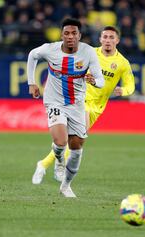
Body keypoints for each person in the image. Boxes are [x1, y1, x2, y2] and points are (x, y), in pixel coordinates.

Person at [32, 26, 135, 184]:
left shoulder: (122, 63)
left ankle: (44, 164)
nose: (108, 40)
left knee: (72, 139)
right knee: (74, 138)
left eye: (111, 37)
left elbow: (131, 85)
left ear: (117, 40)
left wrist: (123, 90)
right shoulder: (89, 53)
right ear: (100, 39)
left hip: (98, 107)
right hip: (79, 100)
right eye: (105, 37)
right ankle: (55, 169)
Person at [27, 18, 105, 197]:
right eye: (67, 33)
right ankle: (59, 160)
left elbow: (100, 79)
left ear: (80, 35)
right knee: (61, 141)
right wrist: (32, 83)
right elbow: (32, 55)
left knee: (77, 148)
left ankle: (66, 185)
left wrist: (95, 81)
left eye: (74, 33)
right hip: (54, 101)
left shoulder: (88, 53)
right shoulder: (50, 49)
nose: (70, 37)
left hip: (77, 104)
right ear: (61, 35)